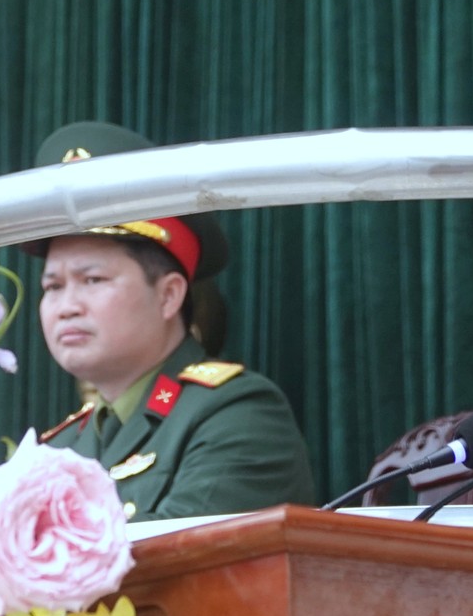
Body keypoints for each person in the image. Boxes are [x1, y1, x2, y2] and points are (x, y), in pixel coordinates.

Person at [18, 121, 313, 521]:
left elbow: (182, 554)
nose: (66, 306)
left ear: (169, 295)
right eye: (53, 286)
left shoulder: (236, 413)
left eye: (93, 280)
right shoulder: (60, 446)